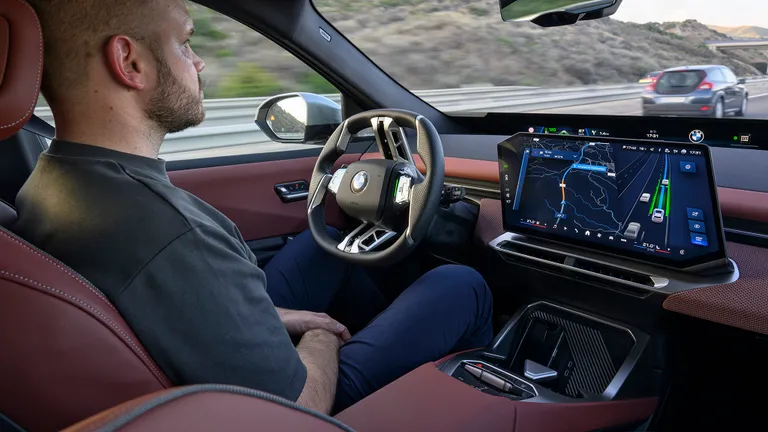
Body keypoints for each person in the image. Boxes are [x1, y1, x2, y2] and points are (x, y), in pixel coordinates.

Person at [17, 0, 493, 415]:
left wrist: (289, 319)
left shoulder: (52, 177)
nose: (198, 62)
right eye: (185, 43)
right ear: (129, 61)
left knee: (327, 249)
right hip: (295, 406)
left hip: (199, 342)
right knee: (461, 284)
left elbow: (186, 306)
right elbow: (302, 404)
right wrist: (322, 335)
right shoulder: (168, 230)